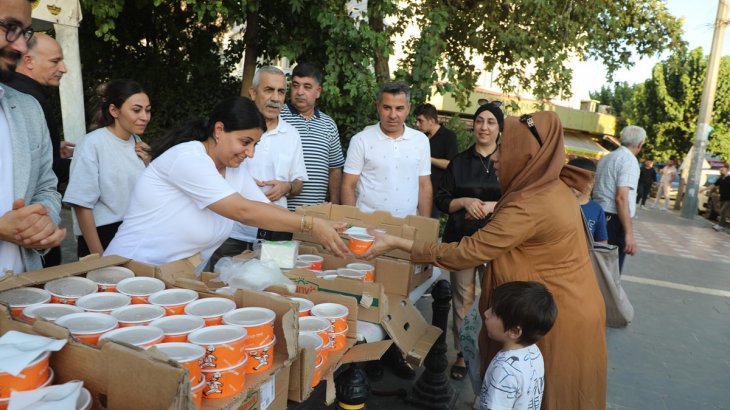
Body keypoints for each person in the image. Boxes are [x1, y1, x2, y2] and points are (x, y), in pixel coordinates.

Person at [364, 111, 608, 409]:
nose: (496, 158)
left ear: (528, 155)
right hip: (565, 308)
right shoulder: (548, 188)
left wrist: (395, 242)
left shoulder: (531, 204)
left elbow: (465, 253)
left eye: (505, 149)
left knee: (547, 398)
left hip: (555, 318)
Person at [105, 96, 348, 273]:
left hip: (172, 281)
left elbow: (264, 208)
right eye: (245, 142)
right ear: (219, 130)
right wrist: (310, 224)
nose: (250, 153)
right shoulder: (188, 158)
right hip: (129, 274)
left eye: (255, 144)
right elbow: (243, 211)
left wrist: (320, 226)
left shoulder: (233, 170)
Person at [210, 66, 308, 270]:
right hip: (232, 229)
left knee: (272, 291)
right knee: (222, 287)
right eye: (269, 90)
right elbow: (211, 169)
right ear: (253, 93)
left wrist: (287, 187)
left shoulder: (292, 135)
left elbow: (299, 182)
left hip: (276, 231)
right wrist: (241, 184)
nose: (276, 98)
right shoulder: (232, 128)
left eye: (281, 92)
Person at [435, 102, 502, 380]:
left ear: (499, 129)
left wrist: (490, 207)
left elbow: (521, 201)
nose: (484, 127)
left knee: (495, 299)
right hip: (462, 240)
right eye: (480, 121)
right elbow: (441, 199)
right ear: (473, 125)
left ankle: (494, 351)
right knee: (463, 299)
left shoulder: (508, 163)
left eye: (491, 122)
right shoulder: (459, 162)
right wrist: (463, 201)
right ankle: (464, 354)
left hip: (497, 242)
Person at [0, 0, 65, 274]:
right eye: (10, 27)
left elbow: (46, 187)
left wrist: (43, 223)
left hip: (21, 295)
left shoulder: (28, 108)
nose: (21, 47)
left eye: (24, 32)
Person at [63, 79, 152, 258]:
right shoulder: (92, 144)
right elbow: (81, 204)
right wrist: (98, 257)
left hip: (133, 234)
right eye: (136, 110)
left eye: (148, 110)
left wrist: (149, 164)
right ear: (114, 110)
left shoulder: (139, 145)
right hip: (101, 236)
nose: (145, 116)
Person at [342, 82, 432, 218]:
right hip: (366, 228)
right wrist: (353, 224)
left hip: (406, 228)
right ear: (377, 107)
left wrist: (425, 227)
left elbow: (424, 186)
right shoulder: (361, 140)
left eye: (399, 108)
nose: (393, 115)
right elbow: (348, 185)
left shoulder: (421, 141)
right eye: (387, 107)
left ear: (408, 108)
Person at [479, 281, 557, 410]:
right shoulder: (534, 351)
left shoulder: (504, 371)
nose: (486, 313)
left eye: (493, 312)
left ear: (514, 331)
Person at [281, 63, 345, 209]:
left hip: (316, 215)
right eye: (296, 85)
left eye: (307, 87)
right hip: (281, 212)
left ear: (318, 91)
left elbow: (334, 168)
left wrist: (334, 205)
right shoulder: (278, 117)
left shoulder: (328, 124)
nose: (299, 92)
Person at [593, 125, 645, 273]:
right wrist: (629, 234)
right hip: (614, 220)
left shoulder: (606, 158)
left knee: (598, 267)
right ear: (640, 144)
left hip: (599, 215)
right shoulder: (629, 161)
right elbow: (621, 198)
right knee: (610, 272)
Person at [415, 103, 458, 218]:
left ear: (432, 121)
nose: (417, 124)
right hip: (415, 190)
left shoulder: (448, 136)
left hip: (435, 192)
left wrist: (427, 158)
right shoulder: (419, 137)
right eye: (416, 121)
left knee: (427, 227)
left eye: (420, 121)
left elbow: (450, 164)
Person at [567, 157, 608, 244]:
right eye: (569, 178)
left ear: (591, 182)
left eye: (578, 180)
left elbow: (602, 242)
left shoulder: (597, 210)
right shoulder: (557, 204)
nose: (571, 183)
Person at [711, 166, 730, 232]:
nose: (721, 171)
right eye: (720, 170)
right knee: (722, 213)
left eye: (722, 170)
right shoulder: (720, 179)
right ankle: (722, 226)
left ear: (726, 170)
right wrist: (704, 189)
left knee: (723, 211)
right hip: (722, 198)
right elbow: (713, 185)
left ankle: (721, 226)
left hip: (729, 199)